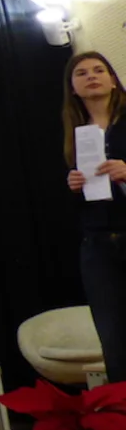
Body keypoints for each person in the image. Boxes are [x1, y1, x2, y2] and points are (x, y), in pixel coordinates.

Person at [63, 51, 126, 382]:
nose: (91, 76)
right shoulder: (72, 133)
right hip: (97, 244)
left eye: (99, 70)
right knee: (114, 341)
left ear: (113, 80)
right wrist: (71, 184)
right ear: (73, 88)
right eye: (82, 73)